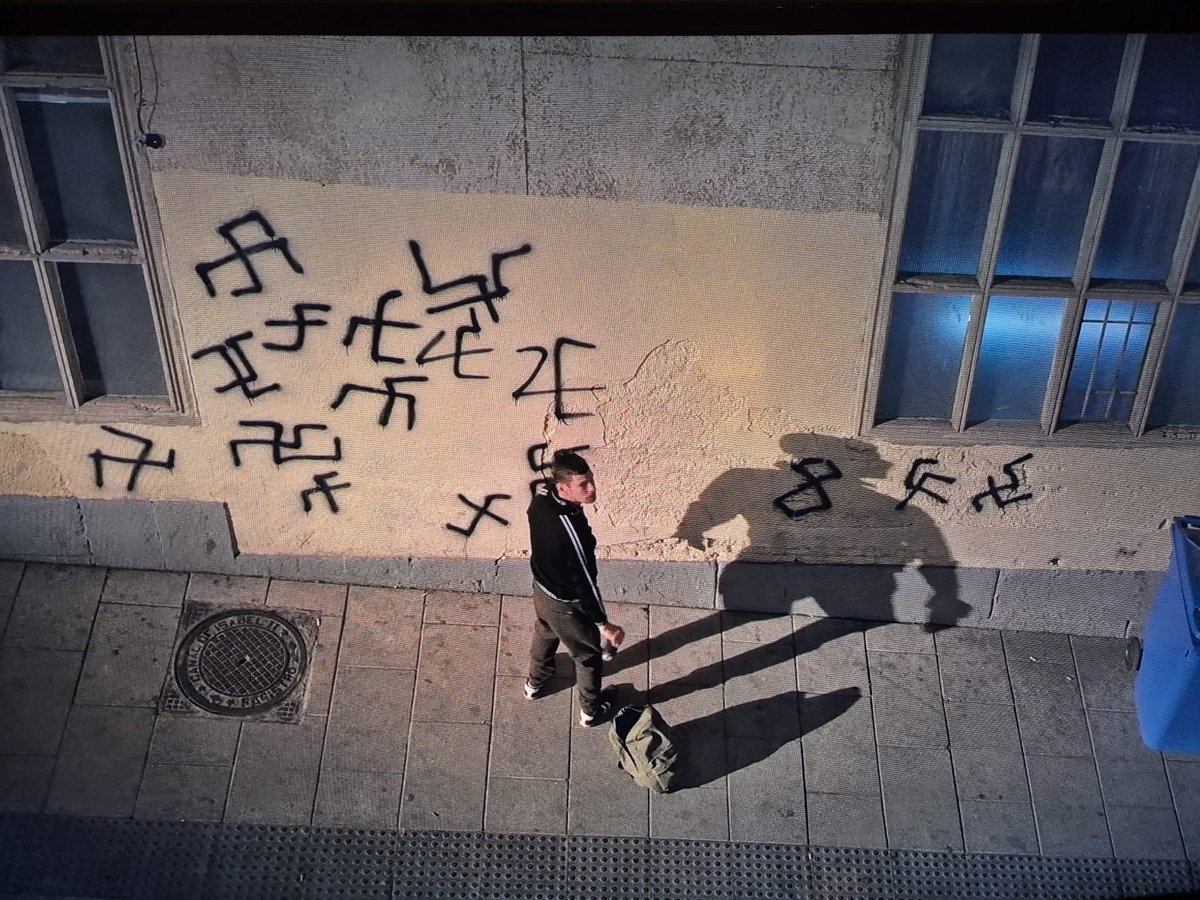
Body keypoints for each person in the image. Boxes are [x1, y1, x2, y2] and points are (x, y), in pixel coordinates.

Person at [524, 449, 625, 726]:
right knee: (588, 655)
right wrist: (603, 624)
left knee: (545, 631)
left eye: (591, 480)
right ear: (563, 487)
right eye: (583, 484)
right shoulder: (569, 529)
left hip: (542, 589)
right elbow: (586, 582)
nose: (592, 489)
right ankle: (591, 711)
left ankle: (535, 684)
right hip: (567, 603)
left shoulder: (542, 498)